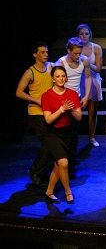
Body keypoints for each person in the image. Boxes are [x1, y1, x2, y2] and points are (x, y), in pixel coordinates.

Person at [41, 66, 82, 204]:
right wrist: (61, 109)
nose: (61, 79)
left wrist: (70, 110)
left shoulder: (72, 94)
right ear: (53, 79)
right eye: (58, 76)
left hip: (67, 133)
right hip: (51, 133)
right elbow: (48, 119)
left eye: (63, 76)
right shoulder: (46, 95)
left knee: (58, 166)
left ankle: (49, 192)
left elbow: (79, 117)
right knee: (63, 163)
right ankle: (68, 192)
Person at [15, 42, 54, 185]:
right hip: (36, 112)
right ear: (35, 54)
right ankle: (36, 171)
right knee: (47, 143)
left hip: (50, 111)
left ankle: (42, 170)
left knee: (52, 143)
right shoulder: (30, 72)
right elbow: (19, 92)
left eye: (46, 52)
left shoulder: (51, 67)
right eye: (42, 52)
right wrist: (36, 100)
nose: (46, 54)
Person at [55, 37, 91, 170]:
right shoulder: (61, 62)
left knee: (75, 130)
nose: (78, 56)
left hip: (77, 98)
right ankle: (62, 158)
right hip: (63, 99)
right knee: (64, 130)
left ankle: (71, 157)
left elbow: (88, 78)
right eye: (75, 53)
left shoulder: (84, 60)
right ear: (68, 50)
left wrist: (86, 96)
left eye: (79, 53)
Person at [76, 24, 103, 147]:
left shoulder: (96, 48)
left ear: (90, 34)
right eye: (81, 34)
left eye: (86, 33)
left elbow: (98, 68)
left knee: (92, 112)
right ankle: (74, 136)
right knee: (76, 110)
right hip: (78, 81)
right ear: (77, 35)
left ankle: (92, 137)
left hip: (93, 80)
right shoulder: (75, 48)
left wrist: (87, 62)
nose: (84, 36)